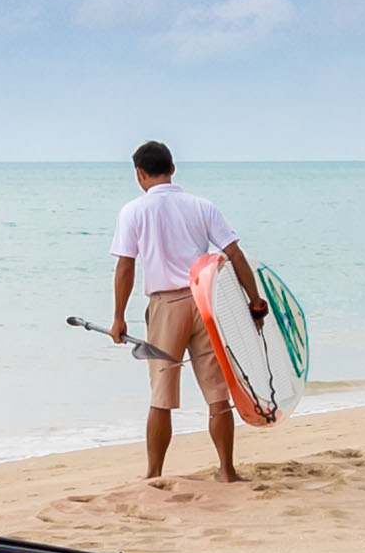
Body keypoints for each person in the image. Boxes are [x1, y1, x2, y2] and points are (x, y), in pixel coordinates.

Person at [104, 139, 270, 482]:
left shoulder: (133, 210)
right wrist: (254, 301)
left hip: (166, 306)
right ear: (173, 168)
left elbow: (125, 267)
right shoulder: (202, 206)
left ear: (139, 173)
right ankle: (227, 471)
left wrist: (119, 317)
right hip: (205, 302)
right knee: (216, 393)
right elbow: (235, 255)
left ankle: (154, 474)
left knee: (162, 395)